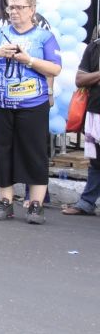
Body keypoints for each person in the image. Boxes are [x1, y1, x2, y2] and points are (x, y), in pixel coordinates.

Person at [0, 0, 61, 224]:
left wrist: (29, 60)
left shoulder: (44, 36)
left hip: (33, 103)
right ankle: (5, 201)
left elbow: (55, 68)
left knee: (34, 151)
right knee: (1, 149)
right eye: (10, 7)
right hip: (0, 101)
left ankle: (36, 204)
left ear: (31, 10)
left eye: (19, 7)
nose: (13, 12)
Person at [63, 36, 100, 216]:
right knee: (96, 161)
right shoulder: (95, 47)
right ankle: (87, 202)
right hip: (95, 112)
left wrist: (92, 77)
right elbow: (79, 79)